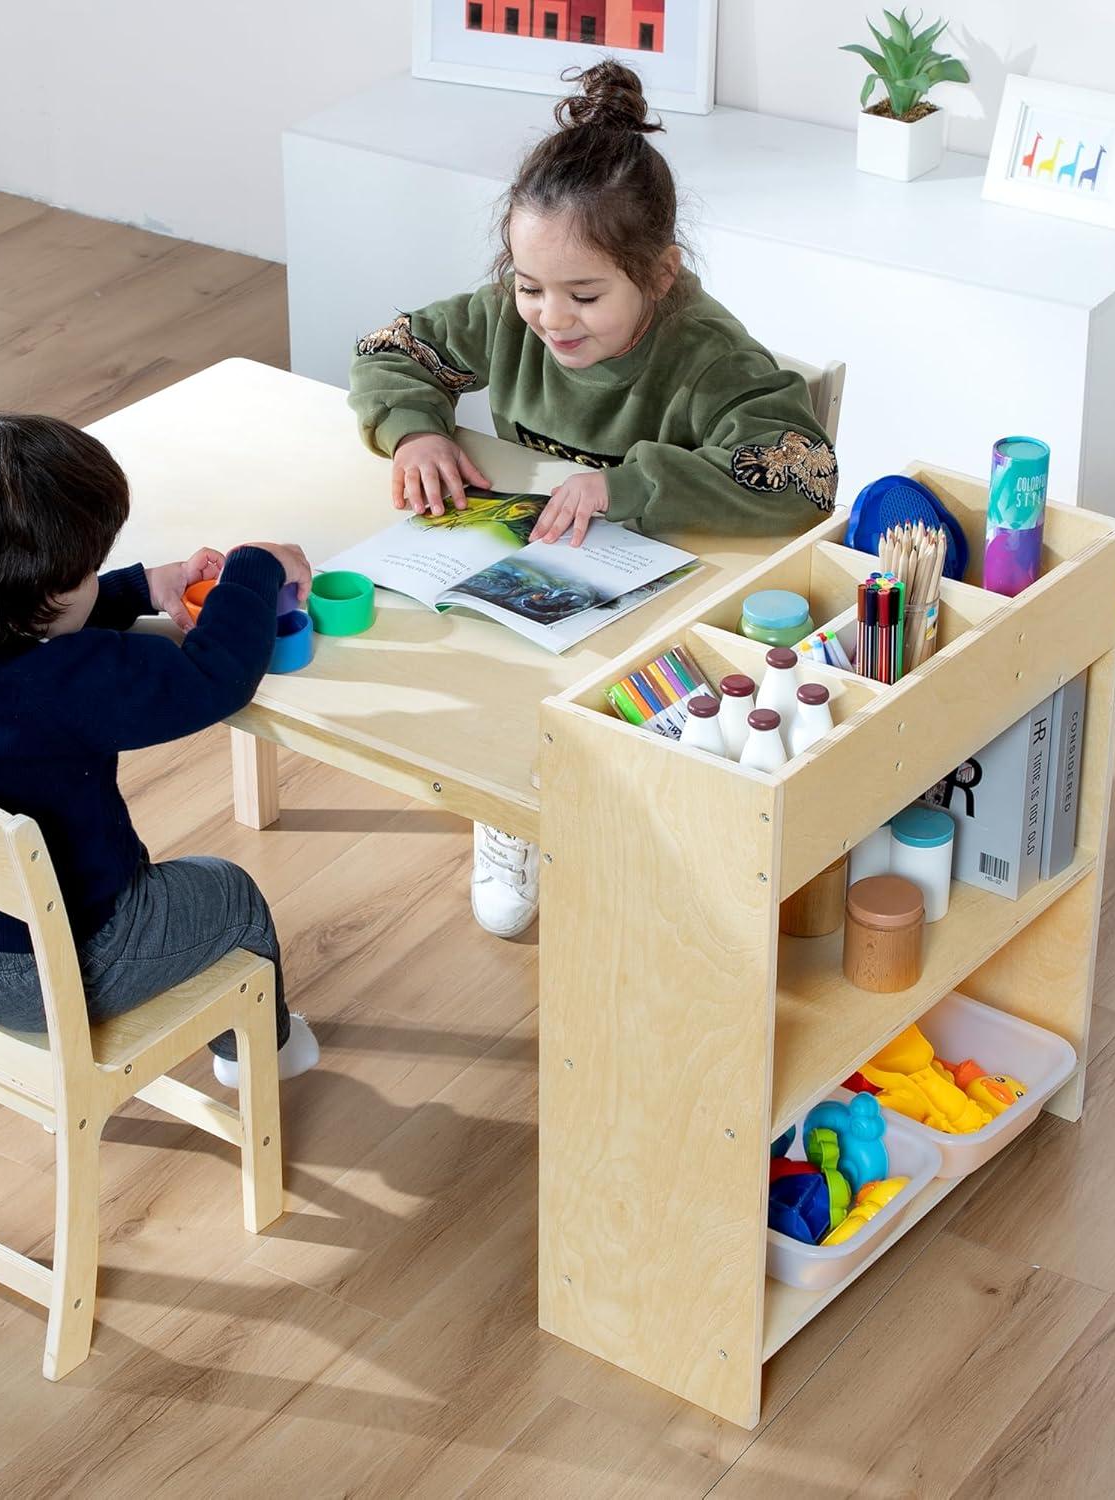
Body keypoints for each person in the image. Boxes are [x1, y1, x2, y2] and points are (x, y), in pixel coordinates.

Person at [348, 61, 838, 937]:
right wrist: (417, 428)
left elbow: (802, 477)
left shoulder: (706, 353)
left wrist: (632, 482)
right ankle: (513, 803)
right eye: (530, 286)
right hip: (523, 577)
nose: (550, 318)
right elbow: (394, 348)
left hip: (659, 598)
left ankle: (618, 818)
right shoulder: (509, 315)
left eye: (583, 295)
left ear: (658, 274)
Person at [0, 413, 320, 1088]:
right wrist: (256, 570)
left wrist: (138, 588)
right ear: (45, 594)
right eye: (88, 572)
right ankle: (263, 1055)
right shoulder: (70, 681)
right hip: (52, 969)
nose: (94, 579)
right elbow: (216, 676)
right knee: (230, 895)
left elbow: (31, 613)